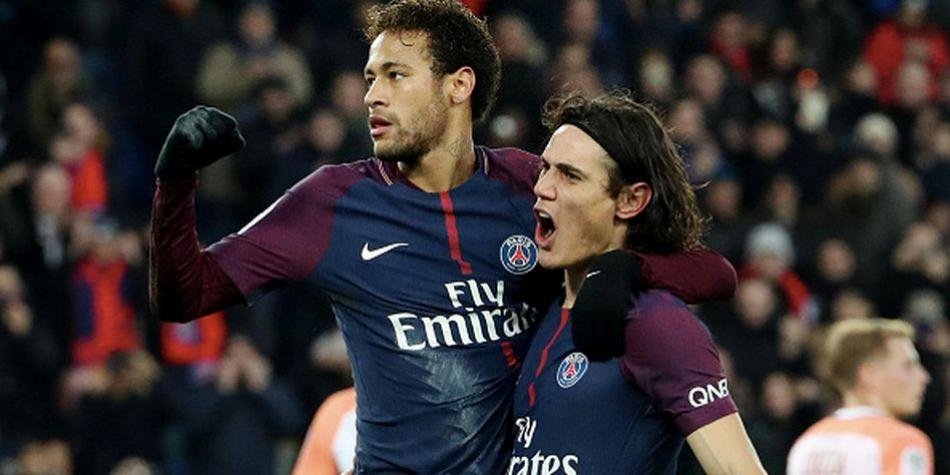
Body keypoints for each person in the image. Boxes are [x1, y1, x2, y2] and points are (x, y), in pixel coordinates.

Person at [149, 1, 736, 472]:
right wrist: (175, 185)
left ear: (458, 85)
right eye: (370, 78)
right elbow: (185, 295)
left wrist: (627, 267)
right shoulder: (332, 202)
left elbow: (713, 271)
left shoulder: (526, 185)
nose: (372, 95)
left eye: (395, 76)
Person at [510, 91, 764, 473]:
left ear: (630, 200)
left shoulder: (656, 321)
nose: (542, 187)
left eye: (570, 176)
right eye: (545, 168)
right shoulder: (544, 306)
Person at [787, 318, 933, 475]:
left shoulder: (807, 444)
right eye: (908, 366)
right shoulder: (901, 442)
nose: (924, 377)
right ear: (869, 375)